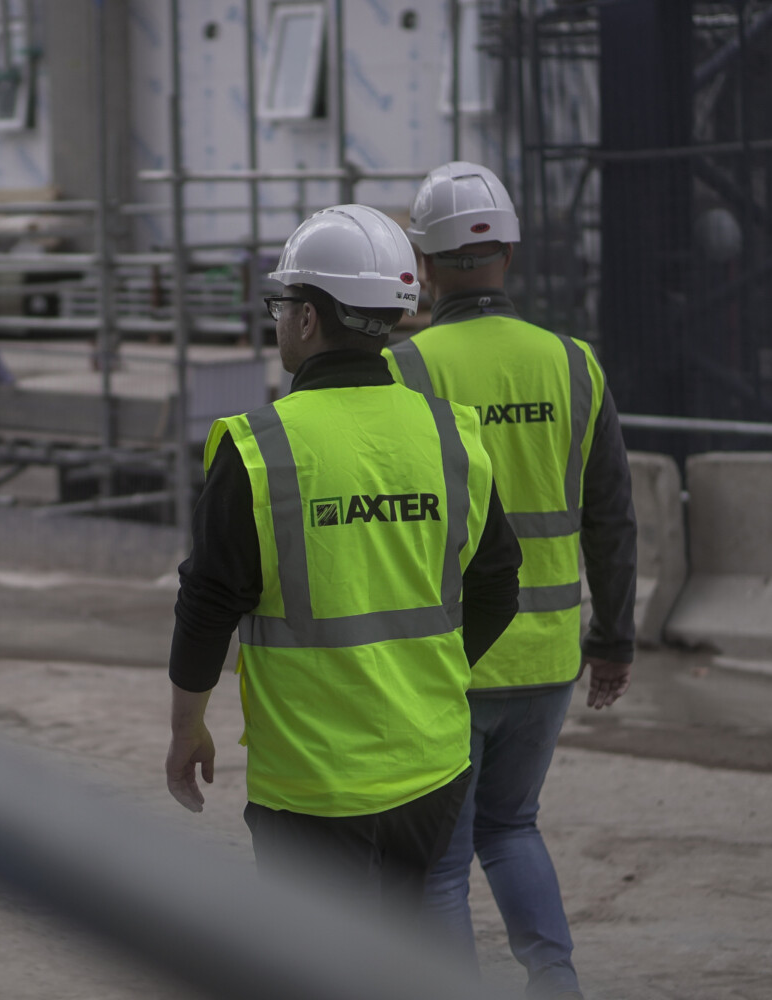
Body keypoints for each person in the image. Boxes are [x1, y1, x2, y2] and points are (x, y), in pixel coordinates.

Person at [165, 204, 522, 915]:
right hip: (432, 769)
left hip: (311, 781)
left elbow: (207, 605)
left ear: (307, 317)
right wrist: (434, 676)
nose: (278, 320)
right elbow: (498, 586)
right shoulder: (449, 434)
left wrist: (186, 729)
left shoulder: (261, 446)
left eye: (282, 303)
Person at [386, 161, 637, 999]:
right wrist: (613, 640)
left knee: (441, 865)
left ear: (422, 264)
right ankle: (555, 980)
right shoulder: (574, 365)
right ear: (513, 254)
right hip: (547, 656)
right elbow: (611, 517)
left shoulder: (406, 370)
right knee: (514, 826)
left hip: (448, 658)